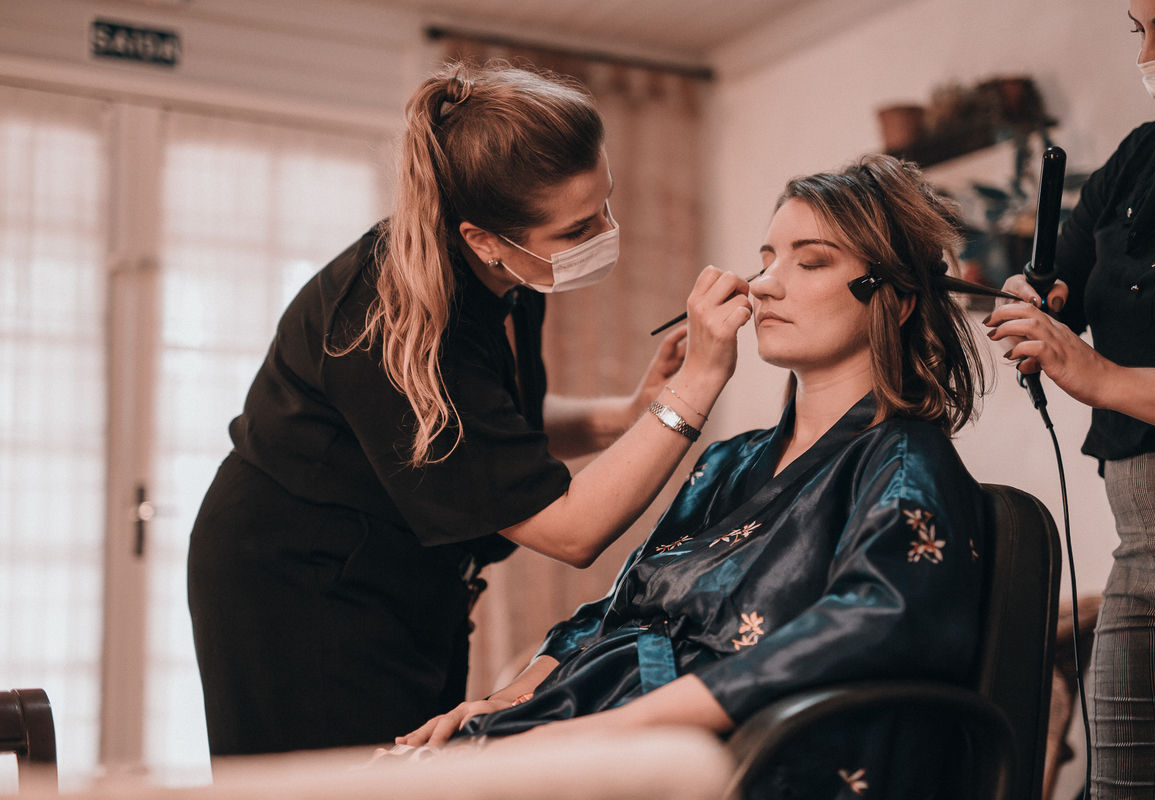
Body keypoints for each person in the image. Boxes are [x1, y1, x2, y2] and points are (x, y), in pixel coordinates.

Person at [187, 60, 753, 756]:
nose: (606, 232)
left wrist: (629, 411)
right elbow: (570, 531)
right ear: (482, 236)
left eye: (605, 203)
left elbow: (491, 433)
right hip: (300, 579)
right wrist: (694, 385)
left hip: (405, 571)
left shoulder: (508, 273)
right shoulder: (397, 320)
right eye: (577, 231)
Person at [398, 155, 991, 797]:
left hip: (731, 758)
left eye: (811, 261)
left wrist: (609, 730)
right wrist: (507, 702)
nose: (763, 285)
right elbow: (621, 607)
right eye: (766, 259)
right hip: (609, 724)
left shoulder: (903, 462)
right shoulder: (727, 461)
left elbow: (874, 625)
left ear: (896, 299)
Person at [985, 2, 1155, 795]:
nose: (1152, 55)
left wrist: (1102, 378)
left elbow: (1094, 366)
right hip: (1141, 550)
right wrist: (1032, 299)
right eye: (1139, 30)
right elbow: (1057, 286)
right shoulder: (1145, 159)